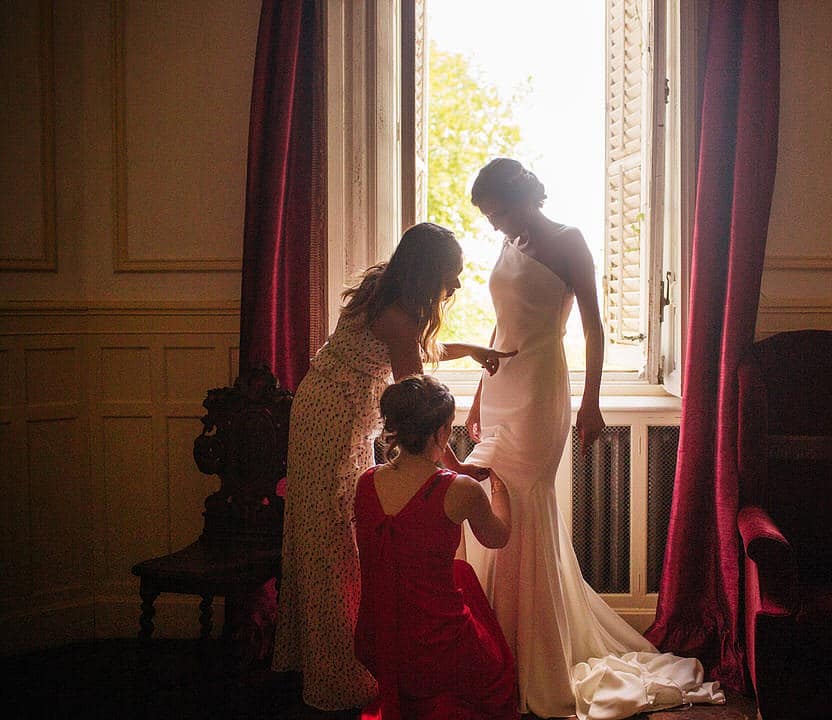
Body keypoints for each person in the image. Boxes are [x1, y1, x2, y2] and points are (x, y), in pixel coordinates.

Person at [272, 222, 515, 711]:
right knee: (331, 546)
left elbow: (415, 355)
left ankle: (342, 661)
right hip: (331, 425)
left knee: (340, 540)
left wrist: (472, 350)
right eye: (453, 274)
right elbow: (421, 406)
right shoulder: (399, 313)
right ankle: (337, 679)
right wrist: (456, 473)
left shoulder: (390, 289)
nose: (459, 285)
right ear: (429, 272)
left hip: (329, 415)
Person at [461, 158, 657, 717]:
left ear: (522, 196)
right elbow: (500, 329)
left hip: (544, 387)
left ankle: (537, 657)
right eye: (489, 216)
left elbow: (593, 326)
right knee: (497, 501)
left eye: (498, 211)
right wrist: (477, 396)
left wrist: (591, 401)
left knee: (527, 504)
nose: (495, 224)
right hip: (501, 388)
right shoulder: (508, 245)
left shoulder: (570, 242)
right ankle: (497, 646)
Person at [353, 374, 518, 720]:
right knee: (498, 673)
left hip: (376, 640)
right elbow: (497, 537)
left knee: (460, 573)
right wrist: (501, 488)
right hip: (435, 646)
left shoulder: (366, 483)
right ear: (442, 432)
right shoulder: (459, 490)